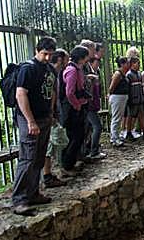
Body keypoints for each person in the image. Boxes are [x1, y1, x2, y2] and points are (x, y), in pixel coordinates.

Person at [11, 36, 57, 216]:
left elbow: (52, 90)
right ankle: (20, 199)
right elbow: (21, 95)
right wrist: (30, 120)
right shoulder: (27, 69)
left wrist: (51, 112)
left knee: (39, 157)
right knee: (28, 158)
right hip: (29, 118)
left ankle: (33, 192)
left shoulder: (49, 69)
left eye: (50, 55)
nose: (47, 58)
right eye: (45, 54)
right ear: (37, 51)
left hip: (44, 116)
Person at [60, 46, 90, 174]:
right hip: (72, 109)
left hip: (76, 107)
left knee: (78, 135)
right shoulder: (72, 70)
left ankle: (70, 163)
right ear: (82, 58)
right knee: (75, 136)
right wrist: (77, 105)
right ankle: (67, 165)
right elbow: (70, 92)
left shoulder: (77, 69)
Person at [42, 49, 69, 188]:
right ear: (60, 59)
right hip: (48, 113)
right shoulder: (50, 72)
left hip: (53, 111)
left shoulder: (55, 73)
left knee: (53, 143)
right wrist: (51, 112)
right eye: (66, 59)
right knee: (48, 144)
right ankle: (47, 175)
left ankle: (52, 172)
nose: (68, 62)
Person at [126, 57, 144, 141]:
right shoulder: (129, 75)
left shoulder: (139, 74)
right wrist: (129, 99)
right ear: (132, 64)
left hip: (140, 98)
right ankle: (128, 132)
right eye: (137, 63)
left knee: (141, 115)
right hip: (133, 99)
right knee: (131, 116)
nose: (139, 65)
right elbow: (128, 88)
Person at [85, 57, 105, 159]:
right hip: (90, 106)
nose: (98, 65)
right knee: (97, 126)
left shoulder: (95, 74)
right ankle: (94, 151)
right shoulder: (89, 76)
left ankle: (89, 149)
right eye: (97, 63)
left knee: (90, 128)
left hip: (93, 105)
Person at [108, 57, 130, 146]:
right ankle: (114, 138)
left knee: (120, 117)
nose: (129, 65)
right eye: (127, 63)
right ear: (122, 64)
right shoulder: (118, 74)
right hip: (117, 97)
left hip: (122, 97)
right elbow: (112, 87)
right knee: (116, 118)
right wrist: (110, 95)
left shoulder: (124, 74)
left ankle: (117, 135)